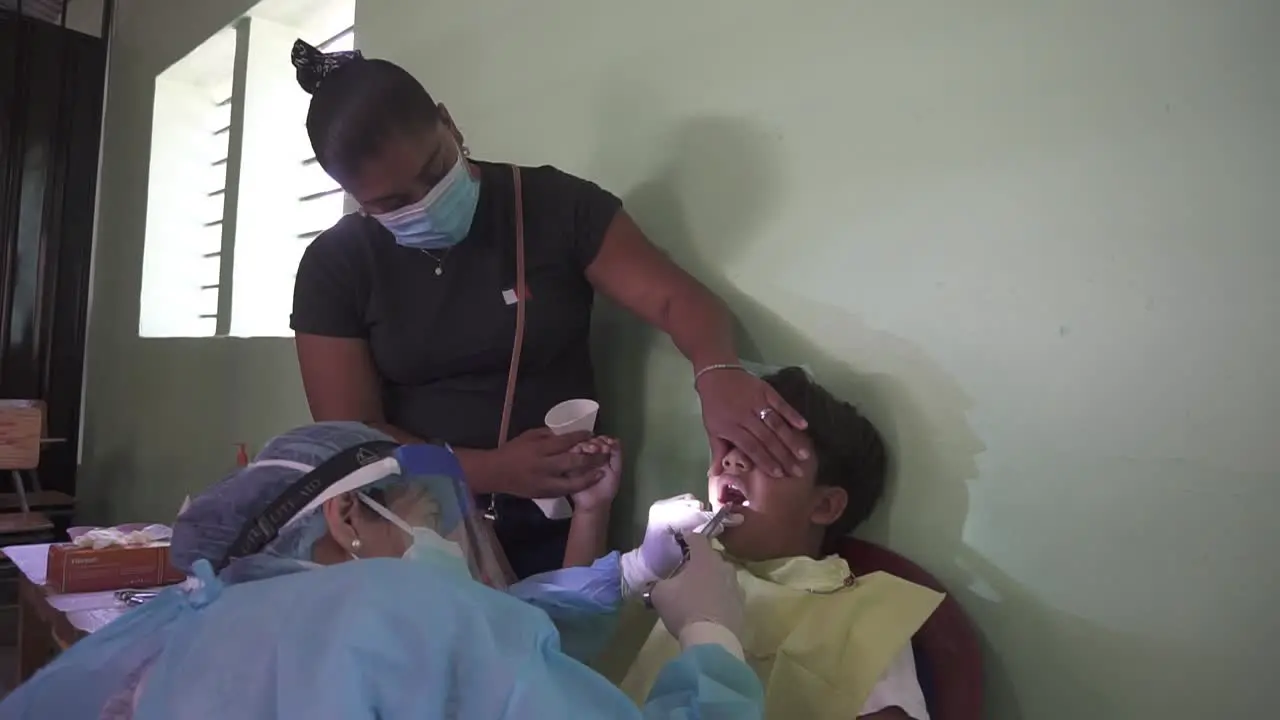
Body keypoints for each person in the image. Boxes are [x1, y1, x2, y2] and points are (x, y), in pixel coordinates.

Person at [286, 39, 810, 578]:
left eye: (435, 169)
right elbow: (355, 437)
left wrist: (717, 369)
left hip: (561, 526)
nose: (425, 201)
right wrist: (490, 471)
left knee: (552, 646)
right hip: (411, 533)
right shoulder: (336, 266)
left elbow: (678, 299)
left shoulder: (553, 207)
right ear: (350, 195)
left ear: (449, 124)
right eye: (391, 205)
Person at [0, 423, 762, 719]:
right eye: (430, 522)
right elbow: (465, 640)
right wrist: (712, 639)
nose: (443, 547)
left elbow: (489, 631)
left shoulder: (215, 622)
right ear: (347, 518)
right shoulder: (396, 611)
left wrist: (631, 570)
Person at [605, 368, 946, 719]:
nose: (732, 460)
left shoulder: (863, 619)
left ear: (825, 505)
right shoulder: (677, 564)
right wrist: (626, 554)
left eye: (768, 452)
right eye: (732, 442)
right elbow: (554, 648)